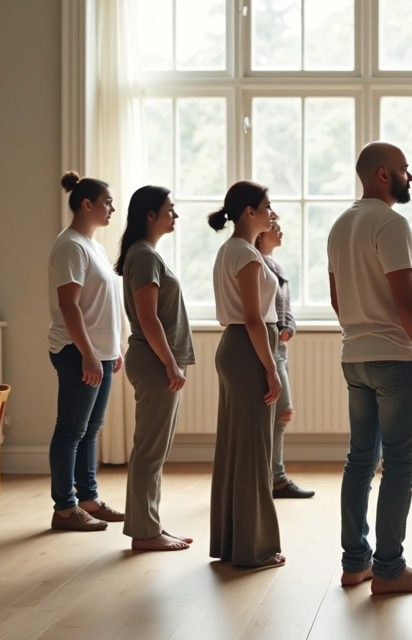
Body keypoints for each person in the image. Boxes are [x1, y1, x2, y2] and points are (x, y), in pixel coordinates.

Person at [328, 141, 412, 594]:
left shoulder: (341, 225)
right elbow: (405, 299)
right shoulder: (391, 224)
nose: (409, 176)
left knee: (360, 460)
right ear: (382, 174)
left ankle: (355, 564)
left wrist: (361, 332)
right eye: (404, 169)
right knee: (399, 465)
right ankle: (390, 570)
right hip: (395, 359)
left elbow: (338, 300)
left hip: (353, 356)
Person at [207, 181, 284, 569]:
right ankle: (253, 549)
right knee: (254, 452)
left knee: (236, 450)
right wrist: (271, 368)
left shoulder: (231, 250)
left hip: (234, 347)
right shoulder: (247, 255)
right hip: (249, 350)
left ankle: (232, 542)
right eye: (267, 206)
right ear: (248, 213)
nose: (272, 213)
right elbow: (254, 318)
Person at [117, 185, 195, 551]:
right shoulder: (144, 256)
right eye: (170, 209)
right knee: (150, 450)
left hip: (156, 361)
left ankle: (149, 527)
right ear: (150, 215)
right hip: (154, 363)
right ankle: (146, 533)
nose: (174, 215)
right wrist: (170, 364)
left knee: (153, 449)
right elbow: (148, 318)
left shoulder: (145, 254)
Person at [47, 171, 125, 532]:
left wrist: (112, 348)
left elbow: (102, 301)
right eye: (107, 202)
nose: (112, 208)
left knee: (90, 430)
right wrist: (90, 354)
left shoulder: (94, 245)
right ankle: (64, 508)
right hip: (78, 352)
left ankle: (88, 500)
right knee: (71, 431)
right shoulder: (70, 246)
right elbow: (69, 306)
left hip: (100, 353)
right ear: (86, 204)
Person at [255, 220, 315, 499]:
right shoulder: (256, 264)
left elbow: (285, 308)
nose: (279, 229)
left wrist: (289, 327)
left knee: (281, 415)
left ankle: (274, 478)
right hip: (269, 348)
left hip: (281, 347)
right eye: (274, 225)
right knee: (283, 412)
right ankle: (274, 479)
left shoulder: (276, 266)